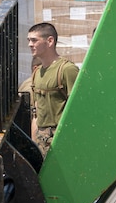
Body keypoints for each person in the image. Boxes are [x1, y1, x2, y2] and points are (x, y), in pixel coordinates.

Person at [27, 22, 79, 156]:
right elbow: (36, 111)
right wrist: (34, 143)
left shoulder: (67, 70)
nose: (30, 44)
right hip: (42, 142)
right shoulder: (37, 73)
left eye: (34, 40)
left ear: (50, 41)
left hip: (62, 142)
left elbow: (79, 109)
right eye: (29, 40)